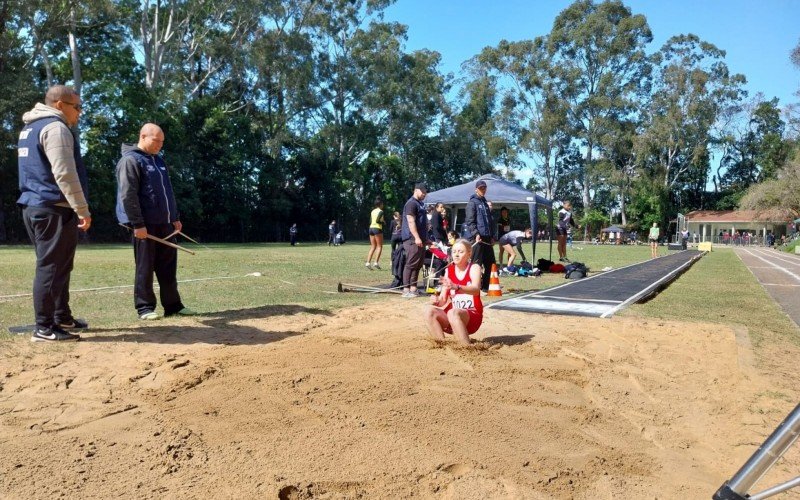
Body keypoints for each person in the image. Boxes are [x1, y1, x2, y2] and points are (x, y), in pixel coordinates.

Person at [17, 85, 91, 342]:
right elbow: (65, 174)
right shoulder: (56, 128)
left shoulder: (30, 128)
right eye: (77, 107)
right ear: (60, 104)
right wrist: (82, 209)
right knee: (50, 267)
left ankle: (61, 316)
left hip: (36, 206)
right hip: (52, 209)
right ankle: (44, 328)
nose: (79, 113)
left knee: (59, 266)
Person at [116, 123, 196, 320]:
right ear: (143, 136)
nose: (160, 145)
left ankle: (173, 306)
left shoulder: (159, 161)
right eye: (156, 140)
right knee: (145, 266)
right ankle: (145, 308)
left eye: (162, 141)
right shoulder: (130, 160)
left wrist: (174, 218)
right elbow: (128, 195)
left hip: (165, 223)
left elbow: (167, 192)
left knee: (168, 266)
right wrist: (137, 224)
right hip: (144, 225)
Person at [424, 239, 483, 345]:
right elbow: (442, 300)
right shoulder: (449, 271)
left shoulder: (474, 268)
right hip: (452, 319)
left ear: (469, 254)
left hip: (472, 317)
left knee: (453, 312)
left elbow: (476, 290)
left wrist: (457, 287)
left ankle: (467, 349)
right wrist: (436, 301)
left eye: (460, 252)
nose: (456, 255)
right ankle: (442, 346)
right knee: (430, 311)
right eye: (454, 252)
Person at [464, 180, 495, 292]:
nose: (483, 190)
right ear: (476, 189)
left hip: (487, 238)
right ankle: (473, 287)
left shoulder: (485, 203)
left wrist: (492, 236)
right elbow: (470, 221)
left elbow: (489, 222)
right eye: (481, 188)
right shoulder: (472, 203)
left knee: (491, 264)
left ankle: (485, 287)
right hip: (477, 238)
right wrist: (476, 234)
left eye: (484, 188)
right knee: (476, 264)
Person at [400, 183, 429, 298]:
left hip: (420, 239)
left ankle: (413, 288)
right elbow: (411, 221)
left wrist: (425, 239)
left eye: (425, 193)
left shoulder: (420, 204)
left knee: (418, 265)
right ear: (416, 190)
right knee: (411, 264)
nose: (424, 195)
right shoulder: (411, 203)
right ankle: (406, 290)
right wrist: (417, 237)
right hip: (412, 239)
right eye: (423, 192)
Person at [365, 197, 384, 269]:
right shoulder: (381, 211)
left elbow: (370, 221)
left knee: (373, 246)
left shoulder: (372, 211)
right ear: (381, 204)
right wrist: (383, 222)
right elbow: (378, 221)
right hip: (377, 228)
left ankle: (367, 263)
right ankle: (376, 262)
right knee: (379, 246)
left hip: (371, 228)